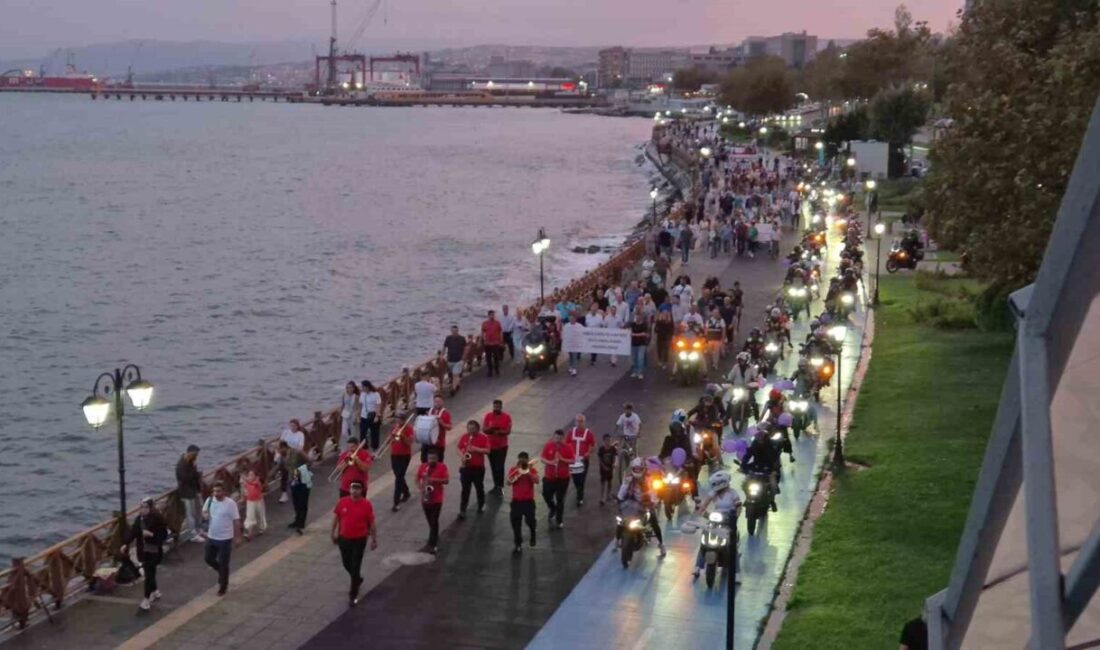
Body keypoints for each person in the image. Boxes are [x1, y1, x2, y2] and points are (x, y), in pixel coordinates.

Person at [331, 480, 378, 607]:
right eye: (353, 488)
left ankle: (353, 595)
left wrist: (374, 539)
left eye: (357, 488)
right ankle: (357, 578)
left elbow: (372, 523)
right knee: (346, 563)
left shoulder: (366, 504)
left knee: (356, 564)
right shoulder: (342, 502)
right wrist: (332, 533)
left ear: (361, 490)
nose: (354, 491)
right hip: (344, 538)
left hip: (359, 539)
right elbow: (336, 519)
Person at [691, 471, 741, 582]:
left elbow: (738, 506)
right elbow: (704, 505)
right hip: (715, 519)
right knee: (704, 542)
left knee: (733, 547)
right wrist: (701, 511)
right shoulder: (713, 493)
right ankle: (697, 567)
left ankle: (737, 572)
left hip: (728, 520)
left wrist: (735, 517)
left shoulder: (733, 493)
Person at [121, 496, 168, 611]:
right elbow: (133, 532)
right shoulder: (139, 520)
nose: (143, 510)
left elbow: (164, 535)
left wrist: (151, 535)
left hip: (154, 550)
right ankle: (155, 591)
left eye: (146, 507)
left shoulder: (158, 519)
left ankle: (146, 599)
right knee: (149, 572)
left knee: (149, 573)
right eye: (141, 507)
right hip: (143, 550)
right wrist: (126, 544)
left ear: (151, 508)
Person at [615, 458, 666, 556]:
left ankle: (661, 545)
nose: (637, 471)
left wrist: (654, 501)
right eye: (635, 469)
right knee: (620, 521)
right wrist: (618, 498)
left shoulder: (649, 479)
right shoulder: (628, 479)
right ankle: (616, 540)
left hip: (645, 505)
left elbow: (652, 492)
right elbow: (622, 491)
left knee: (654, 522)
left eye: (639, 469)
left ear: (643, 469)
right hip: (631, 505)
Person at [202, 481, 240, 596]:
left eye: (218, 491)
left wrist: (238, 537)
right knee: (208, 558)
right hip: (212, 536)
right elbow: (204, 511)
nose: (216, 494)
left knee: (224, 563)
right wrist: (205, 515)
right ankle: (221, 572)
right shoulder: (210, 500)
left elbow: (236, 520)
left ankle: (223, 586)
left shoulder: (231, 504)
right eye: (214, 491)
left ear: (224, 491)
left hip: (225, 538)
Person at [416, 448, 449, 554]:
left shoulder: (442, 467)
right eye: (430, 458)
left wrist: (433, 480)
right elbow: (416, 479)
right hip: (425, 499)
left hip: (437, 499)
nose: (431, 460)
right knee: (430, 521)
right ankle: (433, 538)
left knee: (434, 521)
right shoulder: (423, 467)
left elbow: (446, 480)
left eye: (434, 458)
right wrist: (421, 488)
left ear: (437, 458)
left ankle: (433, 544)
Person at [540, 429, 575, 529]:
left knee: (560, 499)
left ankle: (559, 520)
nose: (558, 440)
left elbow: (572, 460)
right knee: (546, 494)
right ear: (553, 437)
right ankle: (552, 508)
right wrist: (551, 462)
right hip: (549, 477)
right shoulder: (548, 445)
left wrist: (562, 459)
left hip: (563, 479)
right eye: (556, 438)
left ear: (563, 438)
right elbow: (542, 458)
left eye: (560, 438)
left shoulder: (568, 447)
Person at [507, 452, 540, 554]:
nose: (522, 462)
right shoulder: (514, 470)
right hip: (516, 502)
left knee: (530, 521)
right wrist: (517, 472)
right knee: (515, 523)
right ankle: (518, 544)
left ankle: (533, 534)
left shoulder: (532, 470)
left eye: (524, 461)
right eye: (520, 460)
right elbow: (508, 482)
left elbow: (537, 481)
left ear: (527, 460)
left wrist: (528, 472)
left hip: (528, 502)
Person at [457, 420, 490, 519]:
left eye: (472, 429)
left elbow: (488, 451)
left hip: (478, 468)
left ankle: (481, 504)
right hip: (466, 467)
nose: (470, 431)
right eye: (469, 429)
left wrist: (476, 449)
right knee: (465, 490)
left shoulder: (483, 437)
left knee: (479, 487)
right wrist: (462, 455)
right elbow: (458, 448)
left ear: (477, 429)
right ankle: (462, 510)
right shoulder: (464, 436)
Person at [741, 428, 780, 511]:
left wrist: (774, 470)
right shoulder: (754, 445)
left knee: (773, 485)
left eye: (761, 438)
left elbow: (776, 459)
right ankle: (748, 497)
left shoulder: (771, 446)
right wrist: (743, 466)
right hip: (756, 467)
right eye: (758, 438)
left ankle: (772, 501)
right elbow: (747, 456)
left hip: (768, 468)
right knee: (745, 483)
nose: (760, 440)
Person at [483, 399, 513, 495]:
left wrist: (499, 432)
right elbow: (484, 429)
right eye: (495, 406)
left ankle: (500, 486)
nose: (496, 408)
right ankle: (496, 485)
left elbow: (508, 431)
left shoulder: (507, 417)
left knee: (499, 466)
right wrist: (491, 429)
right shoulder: (488, 416)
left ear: (501, 407)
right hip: (490, 446)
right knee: (493, 466)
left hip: (502, 446)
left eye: (498, 407)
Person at [175, 445, 204, 542]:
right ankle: (192, 534)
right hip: (186, 493)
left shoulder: (191, 462)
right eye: (195, 454)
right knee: (190, 513)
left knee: (198, 510)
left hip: (194, 490)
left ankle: (199, 528)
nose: (196, 456)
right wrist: (194, 471)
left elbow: (193, 476)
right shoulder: (181, 465)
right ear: (190, 453)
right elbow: (185, 478)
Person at [566, 414, 596, 507]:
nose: (579, 423)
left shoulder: (588, 433)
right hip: (573, 460)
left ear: (584, 422)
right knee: (575, 478)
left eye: (581, 421)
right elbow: (567, 443)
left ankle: (580, 497)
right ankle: (579, 490)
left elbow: (593, 445)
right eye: (577, 421)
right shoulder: (571, 432)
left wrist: (588, 452)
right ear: (575, 422)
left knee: (582, 479)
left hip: (583, 460)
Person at [283, 443, 313, 534]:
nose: (278, 451)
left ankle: (301, 524)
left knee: (302, 502)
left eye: (279, 449)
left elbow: (309, 461)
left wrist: (302, 470)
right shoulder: (285, 456)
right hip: (294, 479)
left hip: (303, 478)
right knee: (296, 501)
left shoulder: (297, 452)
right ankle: (297, 520)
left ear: (283, 447)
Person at [278, 419, 306, 504]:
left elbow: (300, 447)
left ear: (297, 426)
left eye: (294, 426)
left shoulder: (300, 434)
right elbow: (281, 443)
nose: (292, 427)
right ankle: (284, 493)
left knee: (295, 474)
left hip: (294, 455)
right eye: (291, 425)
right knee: (284, 474)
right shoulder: (286, 432)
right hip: (285, 455)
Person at [389, 415, 414, 512]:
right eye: (397, 420)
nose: (398, 422)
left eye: (400, 420)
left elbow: (409, 443)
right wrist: (392, 437)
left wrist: (402, 435)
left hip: (405, 455)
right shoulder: (395, 428)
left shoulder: (409, 429)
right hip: (394, 455)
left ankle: (395, 502)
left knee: (399, 478)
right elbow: (391, 441)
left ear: (404, 420)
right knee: (398, 475)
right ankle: (406, 492)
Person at [422, 395, 452, 463]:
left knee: (438, 462)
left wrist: (442, 423)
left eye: (439, 401)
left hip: (439, 443)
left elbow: (449, 427)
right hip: (428, 442)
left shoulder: (445, 413)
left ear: (442, 402)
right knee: (424, 461)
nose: (437, 403)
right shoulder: (430, 411)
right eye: (435, 401)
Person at [240, 468, 267, 541]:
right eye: (249, 475)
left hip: (259, 501)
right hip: (250, 502)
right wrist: (243, 497)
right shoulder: (246, 483)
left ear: (256, 476)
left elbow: (253, 484)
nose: (250, 477)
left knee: (260, 515)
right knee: (250, 516)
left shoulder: (257, 482)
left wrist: (245, 480)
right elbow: (244, 490)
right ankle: (248, 532)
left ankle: (261, 528)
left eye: (252, 475)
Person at [443, 325, 467, 395]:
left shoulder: (462, 338)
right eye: (453, 331)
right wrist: (442, 355)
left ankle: (453, 389)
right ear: (451, 331)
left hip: (459, 360)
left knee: (455, 374)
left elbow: (465, 348)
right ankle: (457, 384)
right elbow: (444, 347)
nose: (454, 332)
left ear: (458, 331)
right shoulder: (448, 338)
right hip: (450, 359)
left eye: (455, 331)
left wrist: (463, 356)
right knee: (453, 374)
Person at [360, 381, 382, 451]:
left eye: (363, 387)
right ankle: (364, 447)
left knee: (374, 433)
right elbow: (361, 404)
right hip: (364, 415)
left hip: (372, 415)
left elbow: (378, 405)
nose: (362, 388)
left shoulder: (375, 394)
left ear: (367, 387)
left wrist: (377, 416)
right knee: (363, 432)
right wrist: (358, 414)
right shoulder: (362, 394)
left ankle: (374, 448)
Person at [481, 309, 504, 377]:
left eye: (493, 315)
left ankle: (497, 369)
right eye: (491, 315)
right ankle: (490, 370)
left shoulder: (497, 323)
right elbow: (482, 332)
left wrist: (501, 340)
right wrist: (483, 339)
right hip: (487, 343)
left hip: (495, 343)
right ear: (488, 316)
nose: (492, 316)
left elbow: (500, 332)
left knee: (496, 357)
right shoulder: (485, 323)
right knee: (488, 358)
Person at [596, 435, 618, 505]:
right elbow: (600, 459)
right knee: (603, 483)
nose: (608, 442)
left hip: (610, 468)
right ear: (604, 441)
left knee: (609, 482)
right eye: (606, 440)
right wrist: (604, 466)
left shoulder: (613, 449)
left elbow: (615, 456)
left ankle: (608, 494)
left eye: (609, 440)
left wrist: (614, 463)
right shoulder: (601, 449)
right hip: (603, 469)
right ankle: (602, 497)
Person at [629, 311, 649, 379]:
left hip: (641, 344)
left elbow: (644, 334)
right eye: (636, 317)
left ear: (641, 318)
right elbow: (630, 331)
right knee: (634, 358)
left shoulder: (644, 325)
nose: (637, 318)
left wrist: (634, 334)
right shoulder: (633, 324)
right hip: (634, 343)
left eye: (639, 317)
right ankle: (635, 371)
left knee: (640, 358)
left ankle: (640, 372)